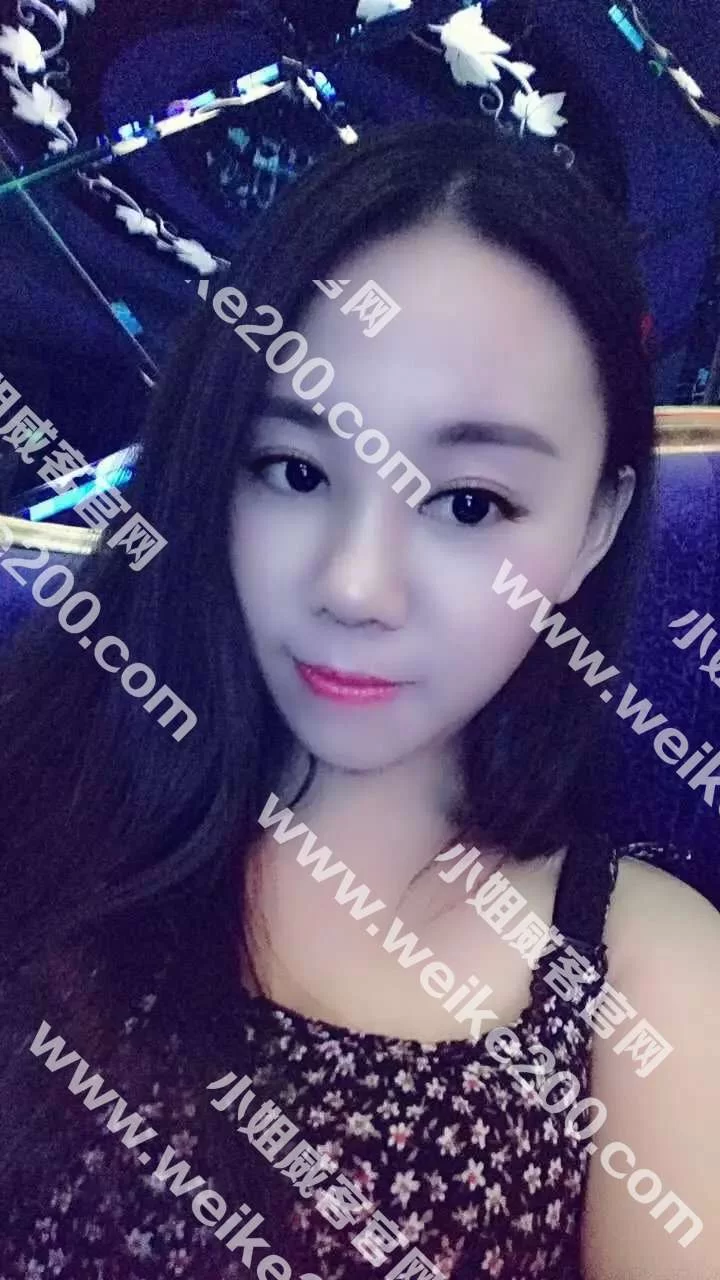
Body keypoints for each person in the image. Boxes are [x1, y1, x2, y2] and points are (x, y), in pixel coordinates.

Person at [0, 117, 718, 1280]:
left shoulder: (645, 980)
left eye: (470, 502)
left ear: (594, 525)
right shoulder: (41, 792)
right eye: (294, 470)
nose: (354, 585)